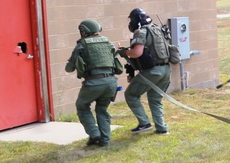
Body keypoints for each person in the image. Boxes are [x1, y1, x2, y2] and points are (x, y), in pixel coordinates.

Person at [65, 18, 123, 147]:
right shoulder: (108, 42)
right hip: (111, 82)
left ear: (84, 31)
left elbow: (69, 68)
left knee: (82, 106)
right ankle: (105, 141)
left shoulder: (82, 44)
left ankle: (94, 133)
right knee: (102, 110)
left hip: (93, 83)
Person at [117, 8, 171, 134]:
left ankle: (144, 123)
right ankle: (161, 128)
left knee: (131, 94)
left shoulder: (141, 32)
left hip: (152, 71)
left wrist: (123, 52)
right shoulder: (158, 29)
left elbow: (136, 53)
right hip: (166, 70)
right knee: (155, 99)